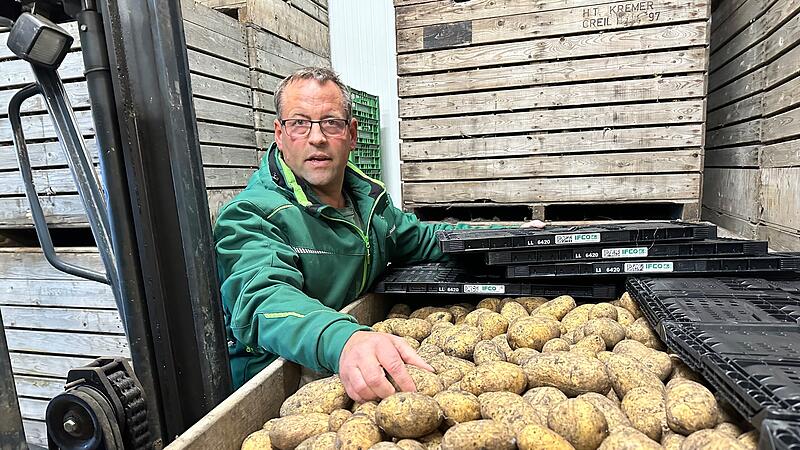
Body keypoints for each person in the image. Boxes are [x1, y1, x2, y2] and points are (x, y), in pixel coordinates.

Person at [214, 67, 543, 400]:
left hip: (356, 355)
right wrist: (344, 339)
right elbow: (262, 299)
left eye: (331, 122)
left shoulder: (370, 207)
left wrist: (505, 235)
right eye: (299, 123)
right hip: (281, 382)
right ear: (279, 134)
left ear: (352, 134)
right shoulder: (251, 214)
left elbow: (424, 237)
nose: (316, 138)